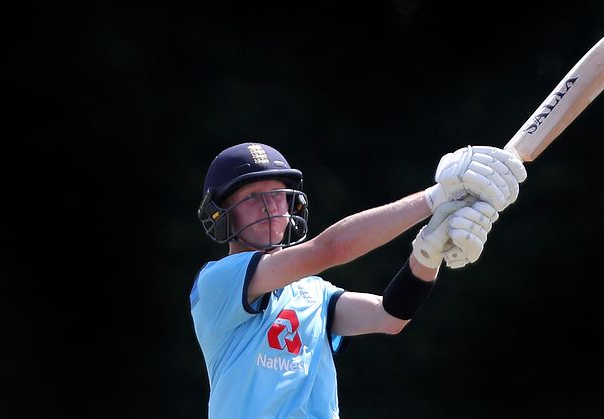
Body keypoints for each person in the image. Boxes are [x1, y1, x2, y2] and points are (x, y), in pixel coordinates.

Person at [190, 141, 527, 418]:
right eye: (252, 198)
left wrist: (428, 251)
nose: (270, 208)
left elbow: (389, 316)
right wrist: (435, 198)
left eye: (277, 195)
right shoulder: (217, 282)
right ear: (222, 215)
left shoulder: (313, 293)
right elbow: (329, 250)